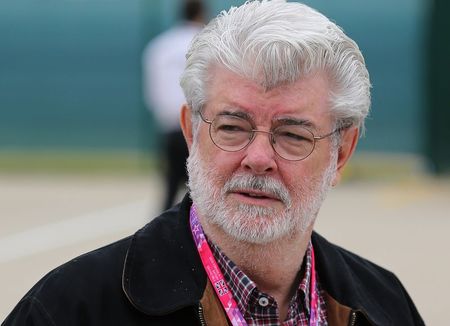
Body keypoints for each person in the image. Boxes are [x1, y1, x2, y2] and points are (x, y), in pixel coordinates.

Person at [3, 1, 424, 325]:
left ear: (342, 154)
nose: (258, 159)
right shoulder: (68, 310)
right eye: (232, 127)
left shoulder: (384, 305)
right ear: (191, 131)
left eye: (293, 135)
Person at [142, 0, 205, 210]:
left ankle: (160, 238)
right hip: (197, 125)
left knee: (170, 187)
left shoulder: (160, 46)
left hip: (168, 124)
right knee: (202, 191)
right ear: (201, 13)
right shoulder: (206, 43)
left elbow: (152, 91)